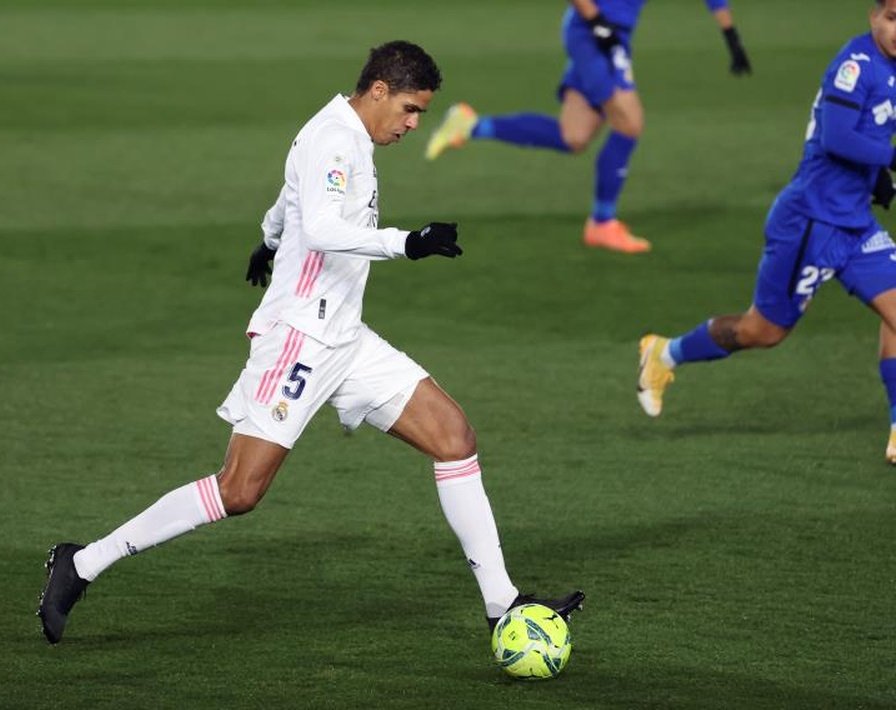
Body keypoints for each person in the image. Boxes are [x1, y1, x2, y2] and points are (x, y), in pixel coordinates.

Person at [37, 41, 584, 645]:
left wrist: (268, 239)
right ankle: (82, 563)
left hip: (346, 337)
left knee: (454, 438)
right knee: (239, 491)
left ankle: (502, 603)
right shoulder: (334, 137)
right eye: (408, 109)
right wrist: (409, 242)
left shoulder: (344, 137)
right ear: (378, 90)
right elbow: (323, 228)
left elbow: (292, 201)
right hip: (299, 336)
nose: (411, 124)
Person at [637, 1, 896, 463]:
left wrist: (877, 181)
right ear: (872, 15)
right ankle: (665, 353)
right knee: (763, 331)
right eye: (893, 18)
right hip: (811, 222)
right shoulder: (856, 66)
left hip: (853, 222)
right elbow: (838, 138)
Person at [424, 0, 752, 253]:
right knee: (630, 122)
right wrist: (595, 21)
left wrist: (731, 36)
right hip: (591, 33)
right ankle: (602, 222)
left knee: (574, 136)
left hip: (611, 37)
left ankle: (470, 125)